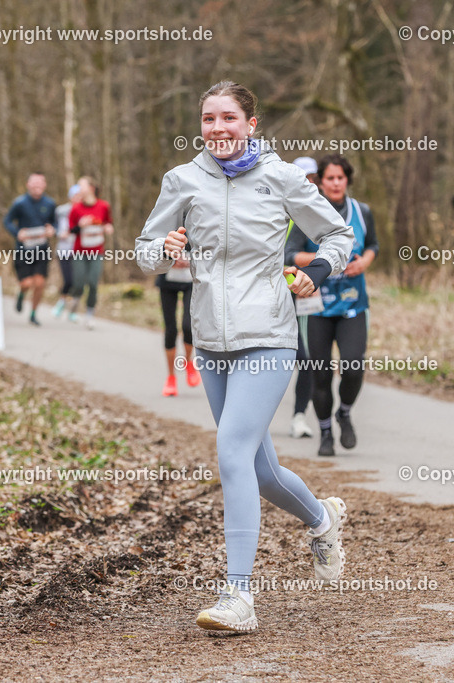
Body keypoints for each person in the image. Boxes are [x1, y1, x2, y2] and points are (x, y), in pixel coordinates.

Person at [137, 81, 353, 633]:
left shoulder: (281, 178)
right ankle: (322, 518)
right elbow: (143, 251)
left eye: (229, 118)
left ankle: (239, 597)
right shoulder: (182, 180)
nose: (218, 129)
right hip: (210, 343)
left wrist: (317, 273)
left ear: (251, 124)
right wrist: (163, 252)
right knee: (260, 470)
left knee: (231, 452)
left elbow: (337, 233)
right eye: (209, 119)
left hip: (269, 336)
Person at [286, 154, 378, 456]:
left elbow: (373, 245)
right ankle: (325, 433)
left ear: (347, 180)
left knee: (353, 366)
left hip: (353, 304)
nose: (336, 183)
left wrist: (363, 262)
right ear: (320, 182)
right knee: (320, 373)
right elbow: (290, 254)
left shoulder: (362, 211)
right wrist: (328, 261)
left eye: (341, 178)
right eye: (330, 178)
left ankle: (345, 413)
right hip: (316, 308)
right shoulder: (308, 213)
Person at [288, 157, 320, 438]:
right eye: (303, 177)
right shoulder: (273, 205)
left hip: (303, 296)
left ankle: (299, 416)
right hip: (268, 296)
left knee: (306, 358)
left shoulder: (317, 212)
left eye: (312, 178)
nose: (308, 183)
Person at [3, 173, 56, 326]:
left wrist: (52, 230)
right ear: (28, 184)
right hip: (23, 250)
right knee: (27, 283)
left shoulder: (50, 203)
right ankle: (21, 293)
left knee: (39, 283)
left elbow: (55, 223)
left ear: (44, 185)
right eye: (34, 183)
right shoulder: (19, 203)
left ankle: (33, 313)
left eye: (40, 183)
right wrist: (17, 233)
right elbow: (7, 221)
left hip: (42, 249)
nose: (37, 186)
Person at [68, 176, 113, 329]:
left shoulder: (103, 206)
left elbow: (108, 222)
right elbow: (71, 230)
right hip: (80, 251)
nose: (78, 188)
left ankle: (89, 315)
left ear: (91, 188)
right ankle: (75, 299)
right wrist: (80, 225)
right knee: (79, 283)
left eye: (81, 186)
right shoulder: (76, 208)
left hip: (97, 251)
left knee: (93, 283)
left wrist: (108, 228)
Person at [156, 248, 201, 396]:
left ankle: (187, 362)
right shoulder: (164, 225)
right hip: (167, 282)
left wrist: (192, 261)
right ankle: (171, 377)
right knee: (171, 329)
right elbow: (150, 250)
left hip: (191, 282)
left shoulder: (198, 225)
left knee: (188, 326)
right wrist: (168, 261)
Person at [52, 184, 81, 318]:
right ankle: (61, 302)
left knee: (78, 282)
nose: (77, 198)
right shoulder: (61, 210)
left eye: (80, 196)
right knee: (68, 280)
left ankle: (73, 311)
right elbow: (54, 226)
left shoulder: (84, 211)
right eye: (75, 195)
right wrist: (59, 233)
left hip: (79, 250)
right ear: (70, 196)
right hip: (64, 250)